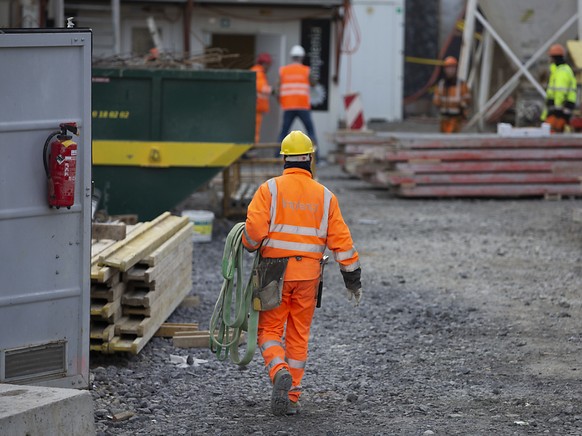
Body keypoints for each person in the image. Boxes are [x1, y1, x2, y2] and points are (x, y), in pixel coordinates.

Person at [242, 130, 362, 416]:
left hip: (273, 271)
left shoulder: (269, 189)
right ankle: (292, 395)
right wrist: (352, 279)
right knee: (298, 334)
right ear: (310, 158)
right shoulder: (325, 196)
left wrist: (247, 245)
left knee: (268, 330)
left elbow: (254, 233)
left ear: (283, 159)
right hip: (308, 274)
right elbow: (342, 243)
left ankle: (278, 370)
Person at [277, 45, 319, 159]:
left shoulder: (283, 71)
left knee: (283, 132)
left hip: (288, 106)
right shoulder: (306, 70)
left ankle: (276, 157)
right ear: (302, 57)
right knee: (310, 132)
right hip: (302, 106)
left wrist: (281, 101)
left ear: (292, 57)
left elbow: (277, 89)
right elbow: (314, 83)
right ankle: (316, 159)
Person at [542, 43, 577, 133]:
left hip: (558, 113)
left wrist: (556, 110)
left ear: (554, 58)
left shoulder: (562, 72)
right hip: (558, 111)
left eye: (551, 57)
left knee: (552, 137)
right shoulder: (558, 71)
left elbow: (560, 92)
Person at [432, 56, 471, 133]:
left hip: (456, 120)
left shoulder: (462, 85)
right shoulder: (441, 85)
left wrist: (463, 113)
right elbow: (436, 102)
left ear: (456, 69)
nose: (450, 70)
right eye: (448, 68)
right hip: (444, 120)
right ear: (445, 69)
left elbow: (467, 101)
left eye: (452, 68)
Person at [250, 53, 273, 144]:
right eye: (269, 65)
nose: (269, 68)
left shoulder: (257, 72)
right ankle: (251, 151)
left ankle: (250, 151)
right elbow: (261, 87)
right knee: (254, 131)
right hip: (255, 107)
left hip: (256, 107)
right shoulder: (258, 72)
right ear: (264, 64)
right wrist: (273, 91)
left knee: (254, 130)